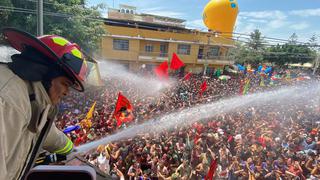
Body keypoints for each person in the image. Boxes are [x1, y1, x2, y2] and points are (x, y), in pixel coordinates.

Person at [0, 27, 92, 180]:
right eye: (65, 83)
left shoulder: (30, 97)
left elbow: (43, 129)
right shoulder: (9, 101)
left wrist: (70, 149)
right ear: (42, 71)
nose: (66, 92)